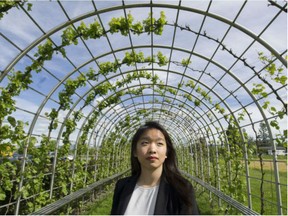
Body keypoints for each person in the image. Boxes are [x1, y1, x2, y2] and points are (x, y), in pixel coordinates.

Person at [111, 121, 199, 215]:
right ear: (135, 152)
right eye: (145, 143)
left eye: (159, 143)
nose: (152, 150)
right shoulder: (122, 186)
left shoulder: (182, 189)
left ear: (166, 153)